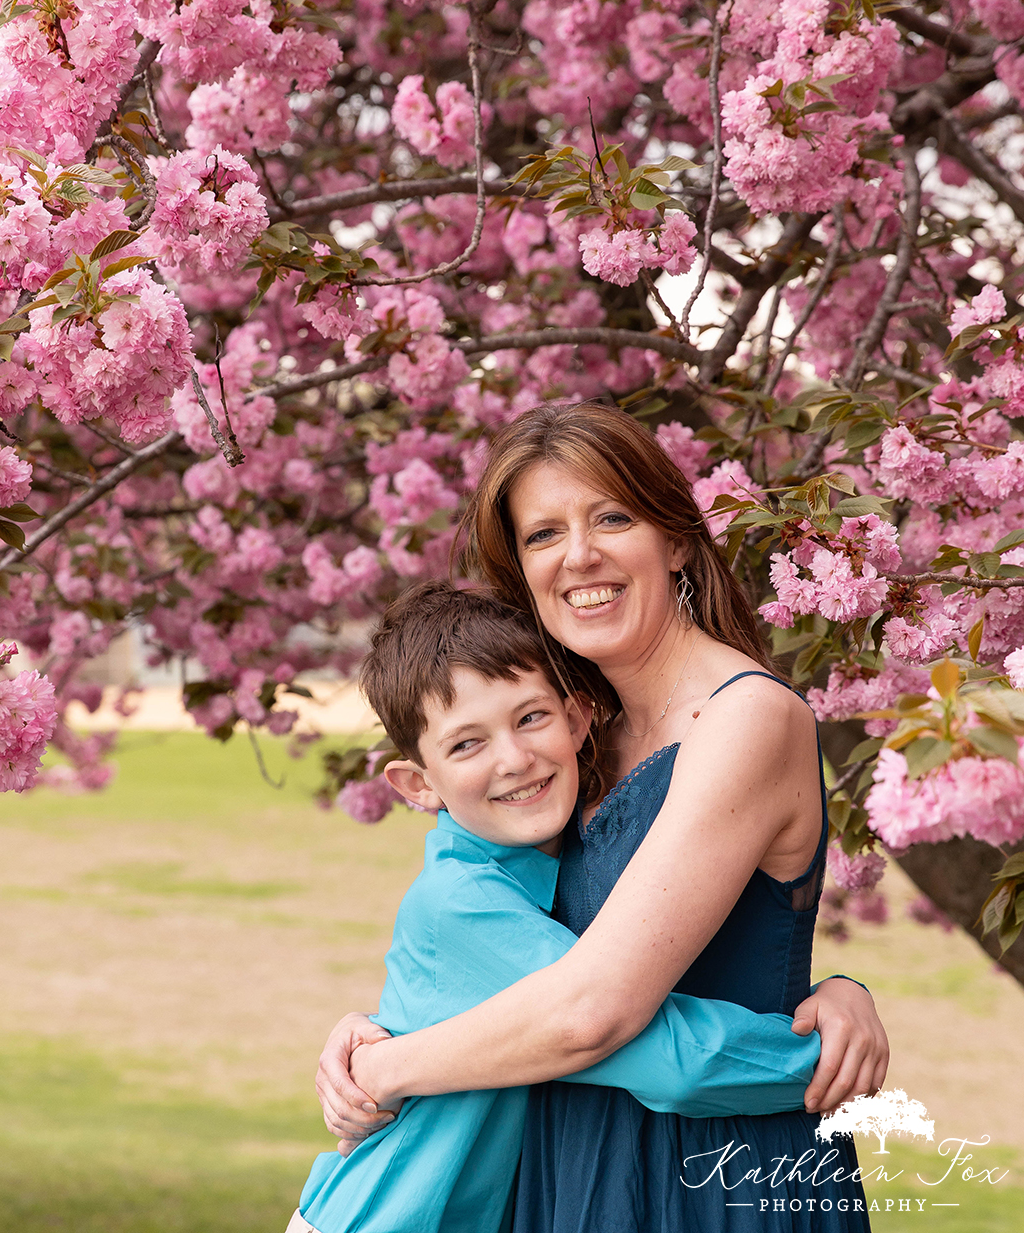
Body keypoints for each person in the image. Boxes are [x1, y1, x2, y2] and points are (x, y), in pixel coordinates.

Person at [316, 403, 889, 1233]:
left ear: (676, 538)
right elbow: (486, 914)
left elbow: (592, 1010)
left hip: (713, 1172)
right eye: (543, 534)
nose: (579, 554)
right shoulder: (572, 730)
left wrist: (387, 1066)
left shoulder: (746, 718)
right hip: (567, 1158)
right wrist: (379, 1025)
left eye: (611, 517)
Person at [290, 581, 838, 1233]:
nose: (514, 759)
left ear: (578, 721)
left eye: (530, 718)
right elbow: (663, 1056)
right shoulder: (464, 902)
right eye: (467, 744)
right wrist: (821, 1055)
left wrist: (834, 988)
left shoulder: (551, 863)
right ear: (417, 785)